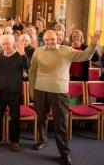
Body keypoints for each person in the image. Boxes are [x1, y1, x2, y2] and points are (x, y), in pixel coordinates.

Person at [29, 30, 101, 165]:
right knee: (41, 118)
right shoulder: (38, 51)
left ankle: (64, 153)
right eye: (47, 39)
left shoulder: (66, 50)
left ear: (58, 39)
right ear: (43, 39)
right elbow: (33, 71)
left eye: (53, 39)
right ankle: (42, 140)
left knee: (60, 123)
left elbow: (85, 56)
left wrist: (93, 44)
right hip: (40, 89)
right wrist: (32, 90)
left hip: (59, 91)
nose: (50, 42)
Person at [0, 35, 27, 152]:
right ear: (1, 45)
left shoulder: (19, 56)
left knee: (15, 117)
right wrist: (0, 84)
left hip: (14, 92)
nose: (6, 46)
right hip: (0, 92)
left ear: (13, 43)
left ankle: (14, 141)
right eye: (4, 44)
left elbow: (26, 70)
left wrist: (23, 55)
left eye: (8, 44)